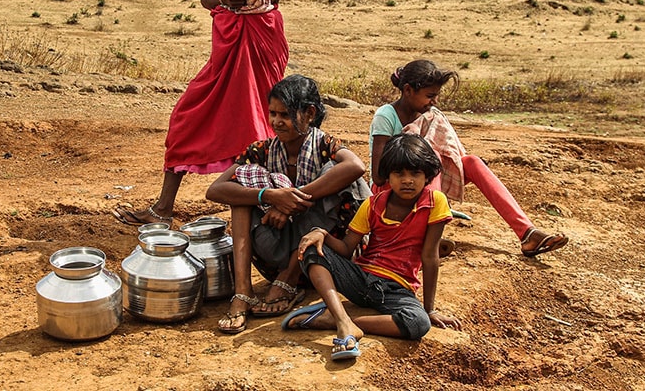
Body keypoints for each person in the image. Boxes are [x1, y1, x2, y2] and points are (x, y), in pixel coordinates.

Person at [113, 0, 340, 227]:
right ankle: (163, 209)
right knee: (188, 116)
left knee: (259, 118)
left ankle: (271, 207)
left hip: (262, 38)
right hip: (226, 39)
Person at [205, 75, 367, 334]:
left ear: (310, 113)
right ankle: (243, 291)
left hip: (322, 254)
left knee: (335, 174)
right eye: (273, 113)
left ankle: (289, 278)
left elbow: (356, 167)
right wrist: (269, 196)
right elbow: (215, 190)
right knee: (240, 195)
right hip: (275, 247)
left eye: (286, 115)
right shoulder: (262, 150)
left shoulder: (325, 145)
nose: (276, 122)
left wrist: (295, 198)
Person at [287, 133, 462, 361]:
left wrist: (429, 310)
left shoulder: (434, 202)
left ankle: (343, 321)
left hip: (398, 289)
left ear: (427, 175)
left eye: (415, 173)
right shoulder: (372, 204)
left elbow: (430, 258)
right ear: (388, 175)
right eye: (399, 173)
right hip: (361, 280)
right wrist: (322, 234)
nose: (407, 180)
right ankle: (342, 321)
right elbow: (346, 249)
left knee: (418, 323)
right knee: (311, 249)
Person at [370, 59, 568, 258]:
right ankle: (427, 238)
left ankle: (527, 233)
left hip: (424, 185)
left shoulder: (430, 115)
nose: (434, 102)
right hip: (391, 188)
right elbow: (378, 177)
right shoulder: (386, 116)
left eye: (436, 96)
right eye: (429, 96)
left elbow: (454, 158)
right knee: (433, 157)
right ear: (408, 90)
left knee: (472, 162)